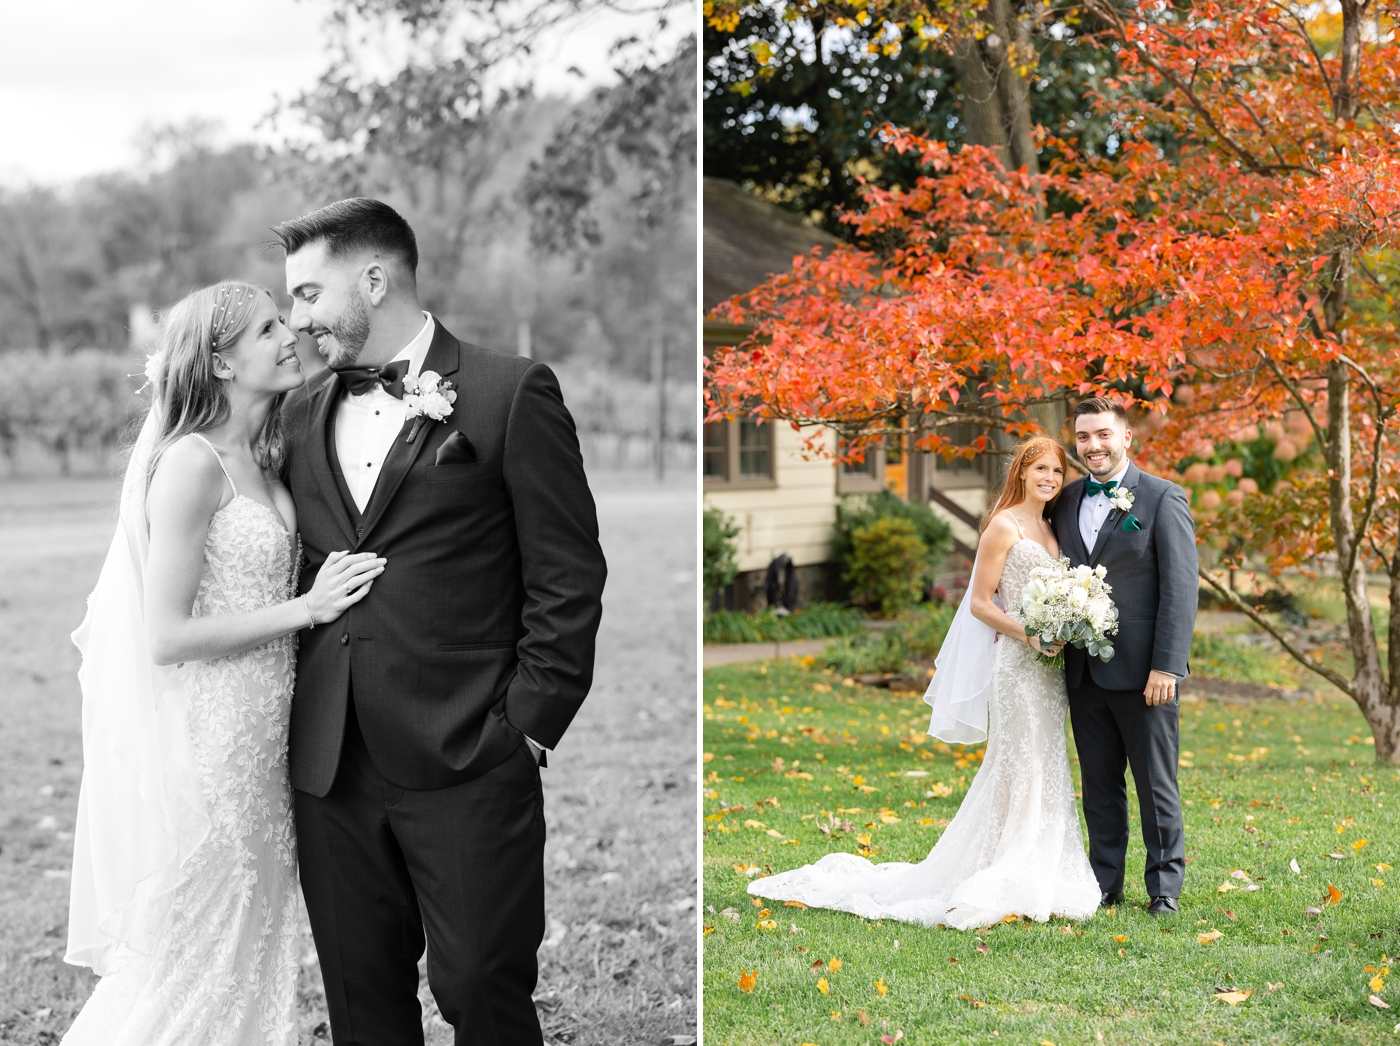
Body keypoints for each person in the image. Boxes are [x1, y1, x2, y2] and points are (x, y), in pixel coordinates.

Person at [274, 198, 607, 1045]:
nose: (296, 318)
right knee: (362, 1004)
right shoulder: (298, 415)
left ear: (374, 280)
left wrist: (526, 728)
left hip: (469, 752)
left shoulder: (508, 392)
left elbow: (567, 574)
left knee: (482, 994)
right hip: (329, 765)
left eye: (310, 294)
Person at [62, 282, 385, 1043]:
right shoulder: (190, 465)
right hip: (211, 745)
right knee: (193, 957)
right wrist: (307, 608)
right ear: (220, 361)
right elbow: (165, 636)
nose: (289, 334)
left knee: (250, 944)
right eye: (269, 327)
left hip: (270, 738)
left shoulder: (267, 453)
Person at [749, 436, 1101, 928]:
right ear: (1021, 471)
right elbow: (981, 603)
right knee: (1019, 759)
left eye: (1057, 472)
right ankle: (1006, 864)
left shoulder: (1051, 527)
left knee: (1044, 760)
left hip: (1050, 671)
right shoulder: (1003, 526)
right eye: (1040, 468)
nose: (1049, 478)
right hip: (1019, 668)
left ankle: (1030, 858)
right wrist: (1030, 634)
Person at [1053, 396, 1196, 916]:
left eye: (1103, 435)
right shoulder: (1064, 502)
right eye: (1084, 436)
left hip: (1145, 673)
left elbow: (1180, 589)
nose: (1093, 445)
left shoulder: (1162, 498)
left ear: (1126, 437)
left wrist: (1168, 665)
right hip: (1083, 672)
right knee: (1099, 785)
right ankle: (1103, 883)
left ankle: (1164, 889)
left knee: (1156, 784)